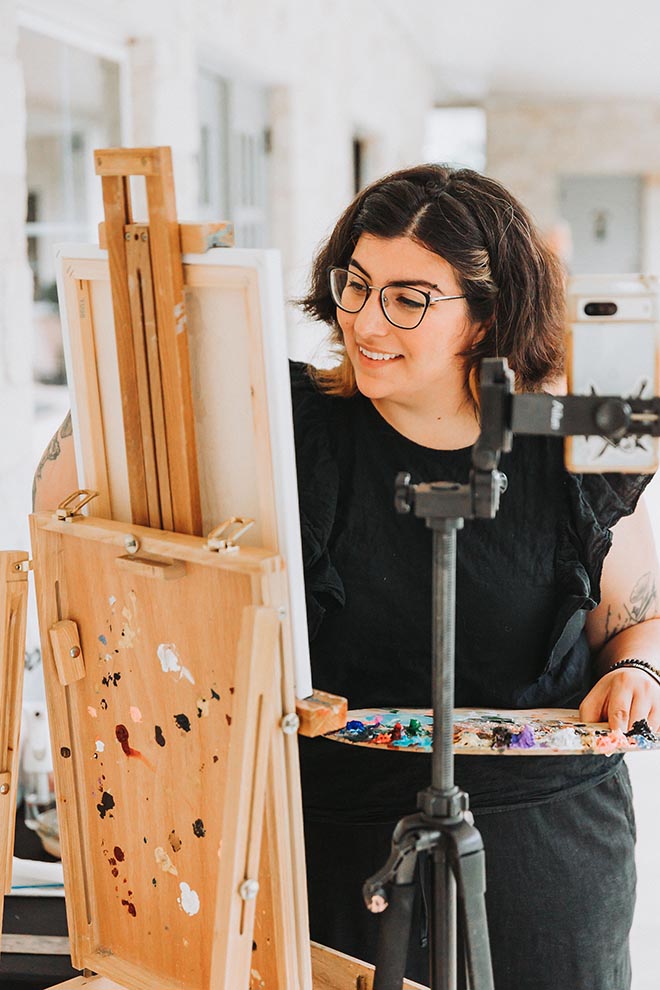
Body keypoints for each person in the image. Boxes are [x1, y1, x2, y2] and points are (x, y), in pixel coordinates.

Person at [291, 164, 660, 989]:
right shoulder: (294, 424)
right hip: (339, 842)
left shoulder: (578, 435)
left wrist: (637, 671)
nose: (366, 320)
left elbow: (639, 617)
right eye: (355, 284)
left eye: (409, 298)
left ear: (487, 315)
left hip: (545, 850)